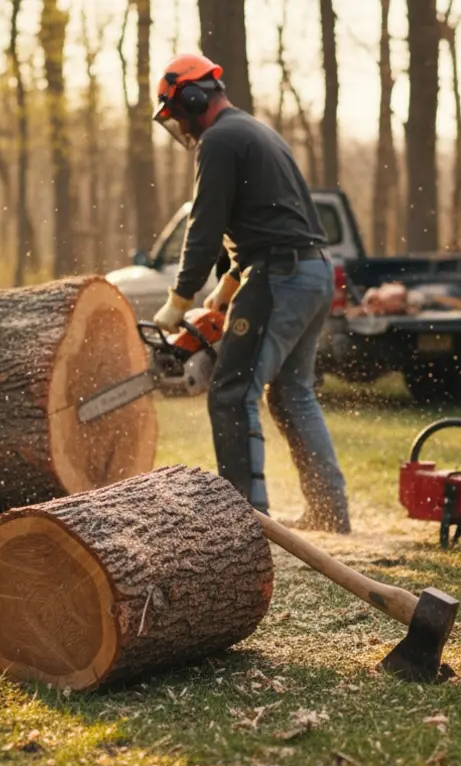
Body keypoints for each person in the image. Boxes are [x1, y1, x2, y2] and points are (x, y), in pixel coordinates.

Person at [149, 52, 349, 534]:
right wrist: (225, 290)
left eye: (178, 113)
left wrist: (179, 300)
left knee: (233, 392)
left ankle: (245, 520)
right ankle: (329, 512)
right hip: (312, 270)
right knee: (292, 393)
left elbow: (205, 226)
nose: (181, 125)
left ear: (193, 98)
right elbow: (269, 222)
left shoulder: (219, 141)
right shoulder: (257, 131)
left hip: (279, 275)